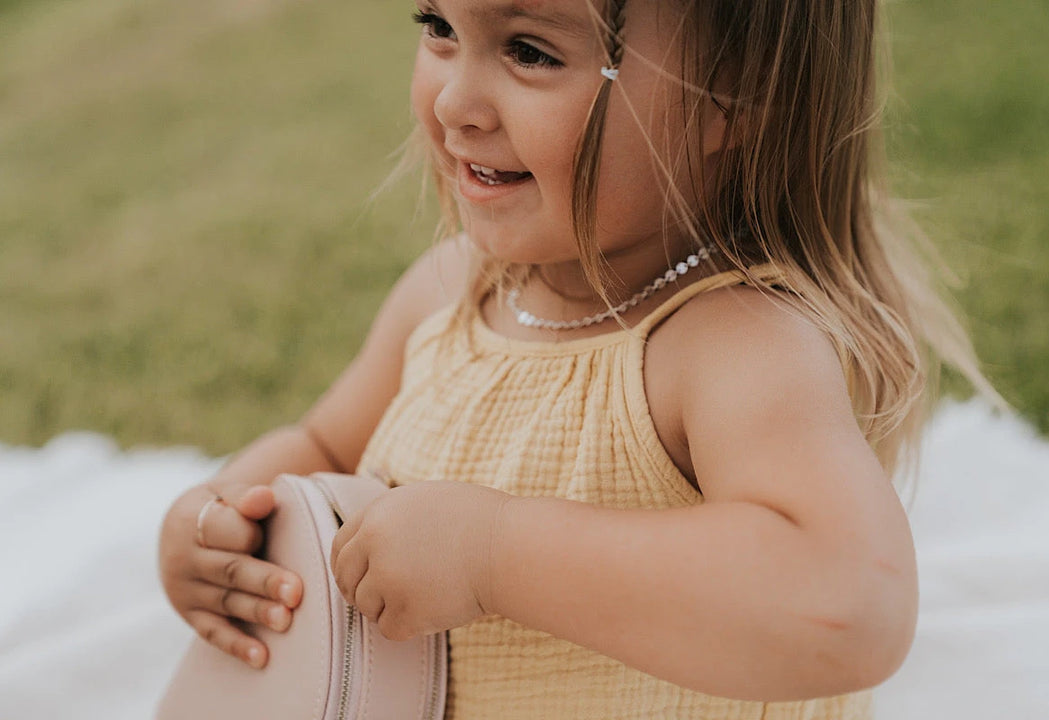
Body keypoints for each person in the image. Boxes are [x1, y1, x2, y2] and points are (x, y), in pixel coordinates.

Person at [158, 0, 997, 717]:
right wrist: (221, 519)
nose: (454, 102)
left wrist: (495, 555)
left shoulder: (731, 344)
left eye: (529, 51)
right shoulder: (448, 295)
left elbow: (849, 605)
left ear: (733, 95)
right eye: (439, 26)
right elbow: (324, 447)